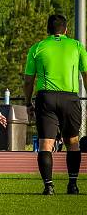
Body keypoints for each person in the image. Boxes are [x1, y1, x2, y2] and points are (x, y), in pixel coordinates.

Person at [24, 14, 87, 195]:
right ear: (66, 30)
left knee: (45, 144)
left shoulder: (37, 48)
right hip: (70, 98)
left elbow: (29, 81)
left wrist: (28, 102)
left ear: (48, 30)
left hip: (46, 98)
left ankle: (48, 186)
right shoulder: (77, 46)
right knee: (73, 142)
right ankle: (73, 185)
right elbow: (86, 74)